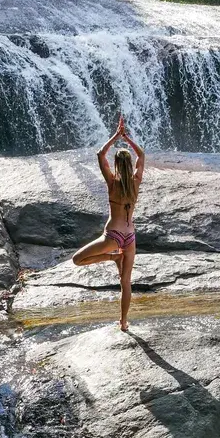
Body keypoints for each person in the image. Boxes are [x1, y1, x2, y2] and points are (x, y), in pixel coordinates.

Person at [72, 116, 146, 332]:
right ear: (130, 165)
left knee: (77, 259)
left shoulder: (112, 183)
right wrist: (128, 138)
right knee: (126, 282)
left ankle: (113, 256)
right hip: (130, 236)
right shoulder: (136, 182)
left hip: (113, 235)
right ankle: (124, 323)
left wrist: (116, 136)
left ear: (115, 165)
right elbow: (141, 155)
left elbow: (100, 154)